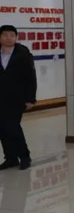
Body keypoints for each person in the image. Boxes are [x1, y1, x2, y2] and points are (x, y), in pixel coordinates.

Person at [0, 25, 36, 171]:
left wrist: (30, 98)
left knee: (13, 127)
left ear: (16, 37)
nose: (8, 38)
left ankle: (25, 156)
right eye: (5, 35)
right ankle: (11, 158)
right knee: (2, 129)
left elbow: (31, 77)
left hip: (16, 98)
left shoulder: (23, 54)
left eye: (12, 35)